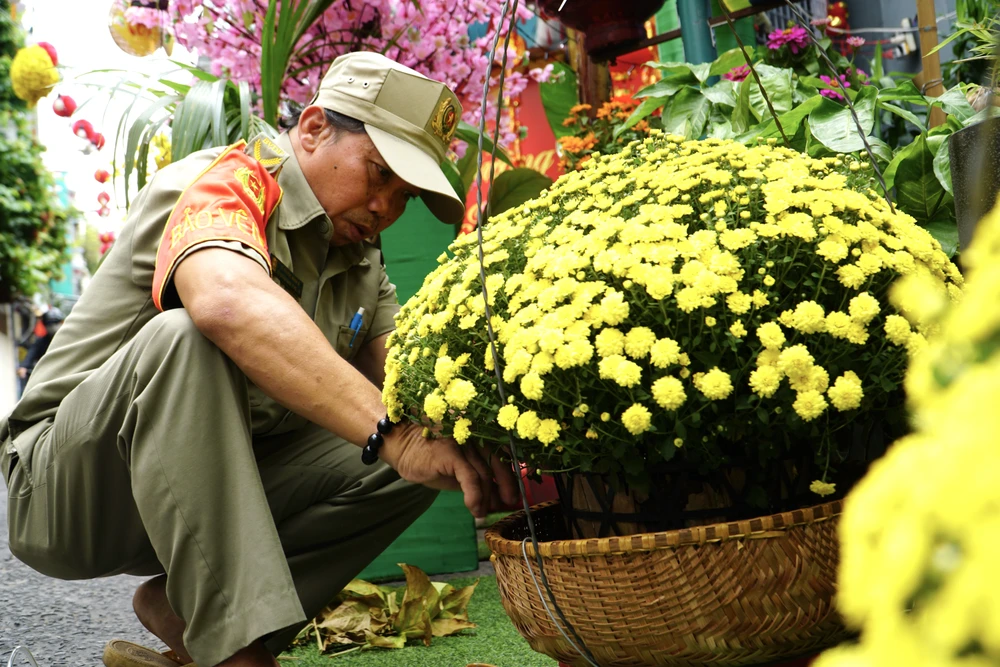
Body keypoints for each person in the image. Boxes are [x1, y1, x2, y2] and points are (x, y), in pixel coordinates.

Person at [0, 52, 518, 667]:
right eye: (378, 173)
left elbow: (404, 383)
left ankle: (190, 615)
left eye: (403, 195)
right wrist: (393, 436)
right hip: (70, 490)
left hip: (205, 498)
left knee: (424, 455)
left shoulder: (361, 260)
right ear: (315, 126)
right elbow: (224, 302)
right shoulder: (219, 184)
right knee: (187, 336)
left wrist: (481, 435)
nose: (385, 207)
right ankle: (237, 651)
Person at [15, 306, 64, 397]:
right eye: (49, 324)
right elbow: (31, 353)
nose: (53, 326)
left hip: (64, 377)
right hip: (45, 378)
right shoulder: (41, 342)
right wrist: (24, 367)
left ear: (62, 322)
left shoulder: (67, 340)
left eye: (56, 322)